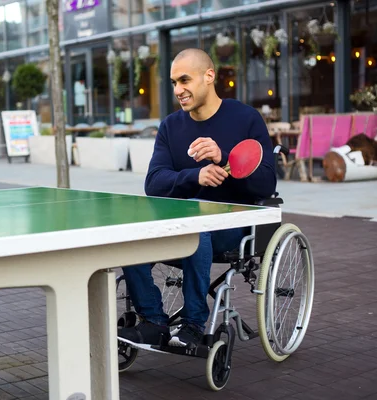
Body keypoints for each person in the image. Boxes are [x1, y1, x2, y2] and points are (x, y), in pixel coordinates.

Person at [118, 48, 277, 349]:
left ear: (209, 76)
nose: (178, 89)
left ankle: (193, 324)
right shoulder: (170, 126)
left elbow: (267, 182)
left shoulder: (245, 119)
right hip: (179, 225)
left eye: (185, 80)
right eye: (174, 82)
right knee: (129, 233)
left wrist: (224, 157)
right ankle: (154, 321)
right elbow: (153, 183)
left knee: (196, 230)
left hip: (230, 229)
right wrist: (196, 176)